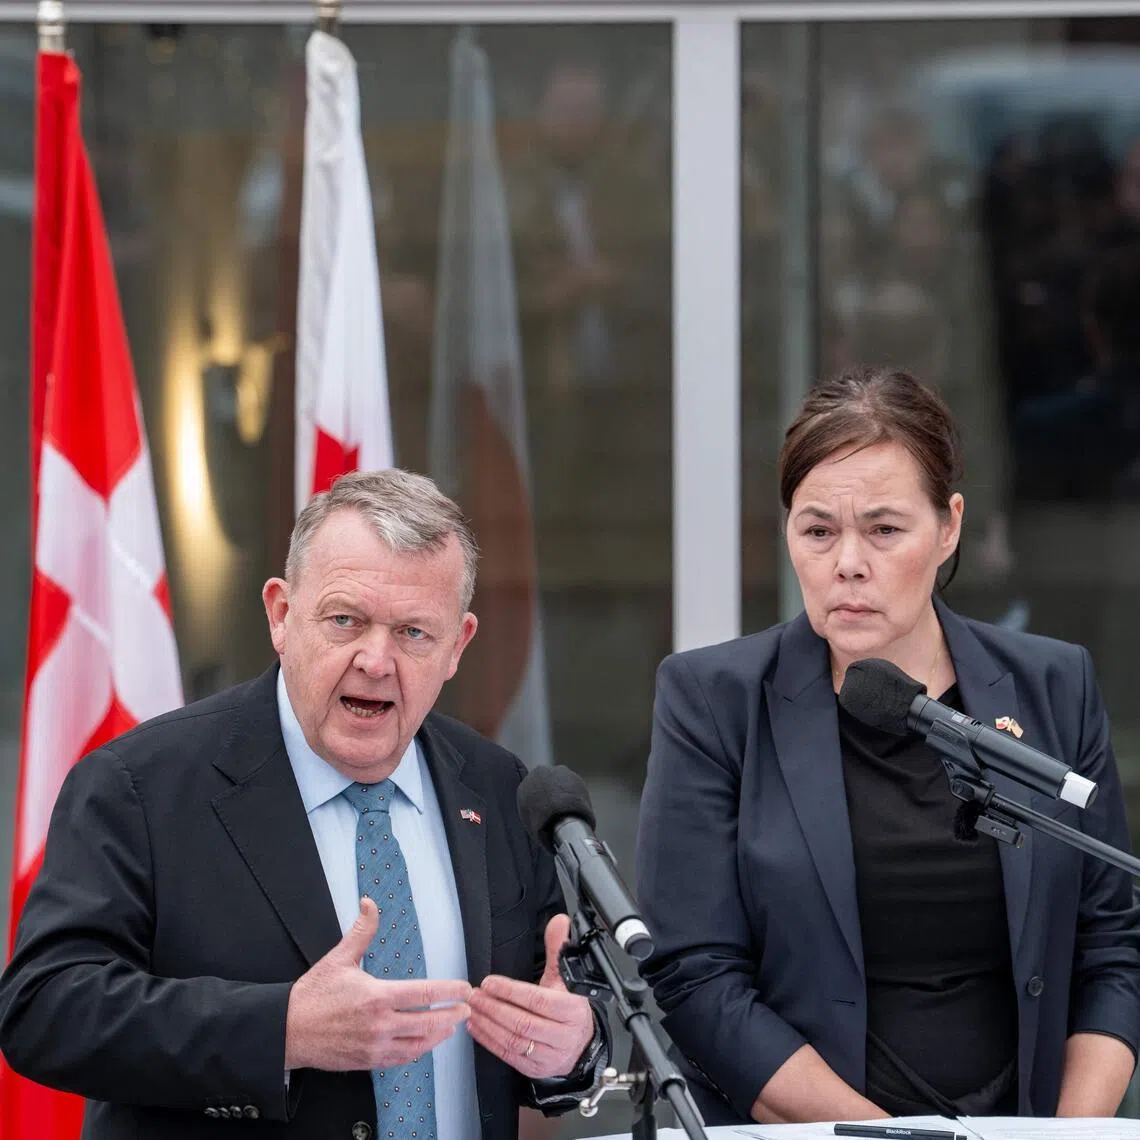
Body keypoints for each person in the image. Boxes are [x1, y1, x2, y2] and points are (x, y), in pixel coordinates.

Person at [0, 469, 608, 1139]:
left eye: (413, 634)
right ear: (282, 615)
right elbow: (46, 1008)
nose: (376, 661)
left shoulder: (498, 788)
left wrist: (569, 1047)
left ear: (458, 645)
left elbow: (560, 1012)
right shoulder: (142, 785)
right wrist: (282, 1028)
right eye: (345, 620)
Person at [636, 367, 1140, 1126]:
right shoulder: (714, 701)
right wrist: (879, 1136)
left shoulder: (1052, 685)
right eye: (818, 531)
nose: (847, 564)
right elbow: (696, 976)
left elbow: (1110, 943)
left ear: (949, 528)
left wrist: (1066, 1134)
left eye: (883, 529)